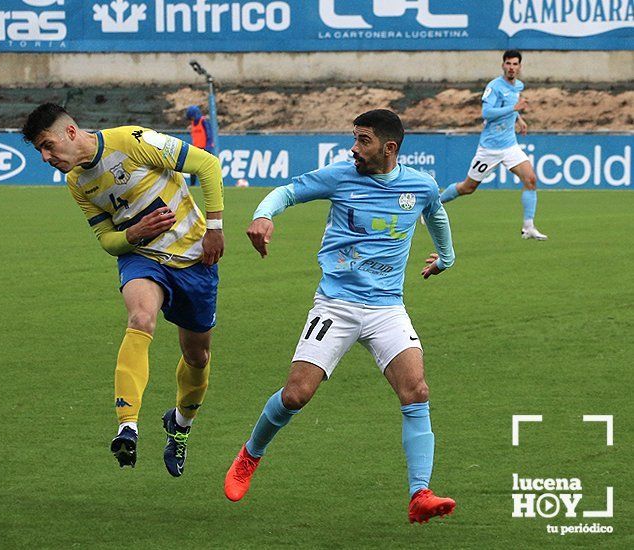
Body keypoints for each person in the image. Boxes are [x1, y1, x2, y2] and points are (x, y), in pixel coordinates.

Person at [224, 109, 457, 524]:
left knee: (416, 391)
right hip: (336, 304)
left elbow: (435, 212)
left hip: (387, 309)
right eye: (354, 138)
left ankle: (419, 493)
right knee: (296, 394)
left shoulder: (419, 186)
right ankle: (249, 455)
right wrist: (263, 215)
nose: (354, 148)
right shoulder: (340, 175)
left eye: (363, 140)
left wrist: (446, 256)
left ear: (389, 148)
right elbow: (289, 190)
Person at [21, 103, 225, 476]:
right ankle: (126, 426)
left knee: (198, 357)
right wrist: (132, 234)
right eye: (39, 151)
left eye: (47, 145)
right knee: (141, 318)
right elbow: (107, 239)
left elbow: (206, 165)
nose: (46, 157)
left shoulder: (131, 141)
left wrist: (214, 228)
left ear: (70, 132)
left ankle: (179, 425)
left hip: (195, 259)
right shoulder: (76, 183)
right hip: (142, 257)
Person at [439, 50, 547, 240]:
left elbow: (511, 106)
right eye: (508, 64)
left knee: (530, 179)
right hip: (489, 148)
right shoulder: (495, 86)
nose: (511, 67)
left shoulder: (518, 86)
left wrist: (518, 119)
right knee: (468, 187)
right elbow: (487, 113)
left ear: (520, 67)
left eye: (515, 64)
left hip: (510, 145)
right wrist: (514, 109)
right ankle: (433, 204)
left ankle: (528, 227)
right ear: (502, 65)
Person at [186, 105, 214, 186]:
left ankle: (210, 185)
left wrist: (208, 147)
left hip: (205, 148)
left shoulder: (203, 121)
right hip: (196, 148)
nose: (192, 119)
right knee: (192, 168)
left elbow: (209, 134)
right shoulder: (192, 124)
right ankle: (192, 185)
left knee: (205, 169)